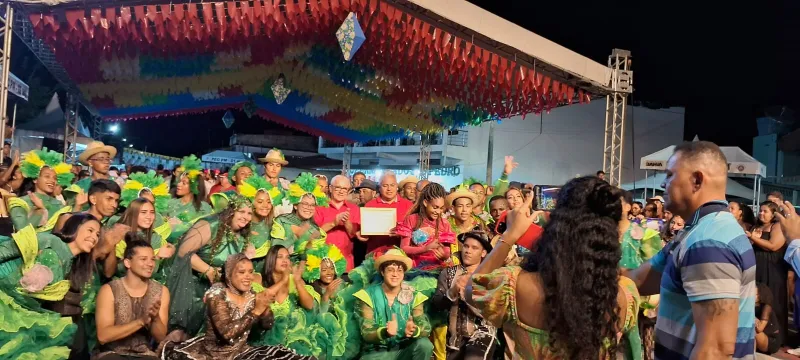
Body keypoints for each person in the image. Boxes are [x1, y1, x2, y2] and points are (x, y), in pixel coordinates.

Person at [467, 177, 642, 359]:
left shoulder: (515, 285)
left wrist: (510, 235)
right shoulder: (625, 294)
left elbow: (473, 290)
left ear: (556, 223)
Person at [624, 141, 755, 359]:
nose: (664, 184)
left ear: (696, 180)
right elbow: (639, 279)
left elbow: (715, 350)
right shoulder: (695, 231)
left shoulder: (709, 242)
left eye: (670, 175)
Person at [161, 253, 314, 360]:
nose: (248, 276)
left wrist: (266, 308)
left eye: (250, 272)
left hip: (241, 352)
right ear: (229, 274)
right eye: (242, 272)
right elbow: (227, 333)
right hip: (214, 355)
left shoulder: (251, 293)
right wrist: (256, 310)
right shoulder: (217, 294)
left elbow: (267, 326)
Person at [0, 213, 101, 359]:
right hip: (4, 301)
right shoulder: (50, 240)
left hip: (24, 313)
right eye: (90, 230)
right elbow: (5, 251)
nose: (94, 237)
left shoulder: (71, 265)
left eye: (98, 234)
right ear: (75, 228)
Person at [166, 194, 253, 338]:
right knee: (181, 335)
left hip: (216, 289)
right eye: (241, 211)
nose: (246, 217)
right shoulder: (209, 225)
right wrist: (209, 271)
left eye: (249, 213)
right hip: (190, 286)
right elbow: (183, 252)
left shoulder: (241, 235)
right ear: (230, 211)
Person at [94, 237, 171, 360]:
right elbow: (103, 336)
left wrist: (155, 319)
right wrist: (140, 321)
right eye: (143, 259)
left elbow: (161, 338)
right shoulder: (109, 290)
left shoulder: (161, 291)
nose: (150, 264)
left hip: (144, 354)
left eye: (152, 259)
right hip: (111, 353)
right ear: (127, 263)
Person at [353, 248, 434, 360]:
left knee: (425, 345)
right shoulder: (367, 295)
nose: (395, 274)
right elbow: (366, 331)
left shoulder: (414, 295)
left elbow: (425, 326)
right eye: (390, 270)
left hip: (404, 350)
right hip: (377, 352)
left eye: (399, 270)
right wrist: (384, 332)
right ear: (382, 272)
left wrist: (414, 330)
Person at [431, 231, 496, 360]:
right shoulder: (448, 273)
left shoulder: (490, 276)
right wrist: (452, 292)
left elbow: (494, 313)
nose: (468, 251)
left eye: (474, 248)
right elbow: (436, 304)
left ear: (483, 253)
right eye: (466, 246)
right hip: (454, 339)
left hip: (482, 334)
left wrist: (468, 294)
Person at [9, 148, 74, 232]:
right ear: (35, 179)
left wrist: (77, 207)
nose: (52, 181)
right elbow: (22, 231)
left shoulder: (59, 205)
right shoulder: (21, 202)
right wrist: (40, 210)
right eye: (47, 176)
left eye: (55, 178)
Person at [395, 183, 455, 270]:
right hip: (415, 269)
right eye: (435, 207)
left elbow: (447, 251)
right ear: (426, 202)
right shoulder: (411, 219)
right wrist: (426, 248)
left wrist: (444, 255)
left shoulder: (444, 223)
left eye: (441, 208)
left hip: (438, 268)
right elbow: (404, 248)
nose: (438, 211)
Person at [271, 173, 328, 255]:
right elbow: (274, 251)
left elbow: (314, 258)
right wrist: (296, 236)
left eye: (312, 205)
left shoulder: (315, 229)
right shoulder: (282, 221)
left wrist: (309, 246)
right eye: (305, 204)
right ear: (295, 205)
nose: (309, 207)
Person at [359, 171, 414, 255]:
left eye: (392, 185)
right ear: (379, 188)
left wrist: (402, 233)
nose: (389, 189)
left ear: (397, 187)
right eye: (385, 186)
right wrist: (362, 234)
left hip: (399, 255)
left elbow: (414, 231)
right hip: (374, 254)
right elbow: (364, 232)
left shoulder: (408, 205)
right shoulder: (370, 205)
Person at [314, 175, 360, 271]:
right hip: (322, 261)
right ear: (330, 188)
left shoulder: (354, 209)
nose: (341, 191)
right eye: (338, 188)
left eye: (345, 189)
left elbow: (355, 235)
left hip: (346, 262)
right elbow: (314, 234)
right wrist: (333, 223)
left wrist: (347, 223)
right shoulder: (319, 207)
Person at [66, 141, 118, 207]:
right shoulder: (79, 187)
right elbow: (70, 212)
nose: (106, 162)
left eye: (107, 159)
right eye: (101, 159)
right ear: (90, 162)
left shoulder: (118, 183)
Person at [259, 149, 292, 215]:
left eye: (278, 166)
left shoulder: (286, 186)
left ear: (281, 168)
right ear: (264, 166)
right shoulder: (256, 184)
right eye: (271, 165)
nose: (274, 169)